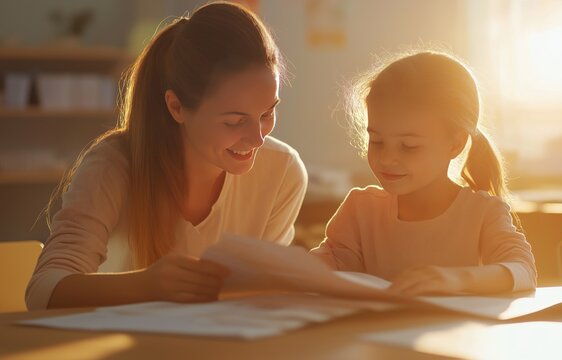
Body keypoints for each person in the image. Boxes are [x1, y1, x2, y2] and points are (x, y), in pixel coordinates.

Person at [26, 1, 307, 310]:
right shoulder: (114, 165)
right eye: (234, 121)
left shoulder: (283, 171)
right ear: (177, 107)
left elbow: (260, 297)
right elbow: (43, 291)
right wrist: (147, 285)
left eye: (268, 113)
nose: (258, 138)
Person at [311, 50, 536, 295]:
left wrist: (457, 280)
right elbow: (318, 272)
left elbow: (523, 271)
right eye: (376, 141)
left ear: (455, 145)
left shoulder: (483, 212)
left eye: (409, 146)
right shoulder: (360, 210)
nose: (386, 158)